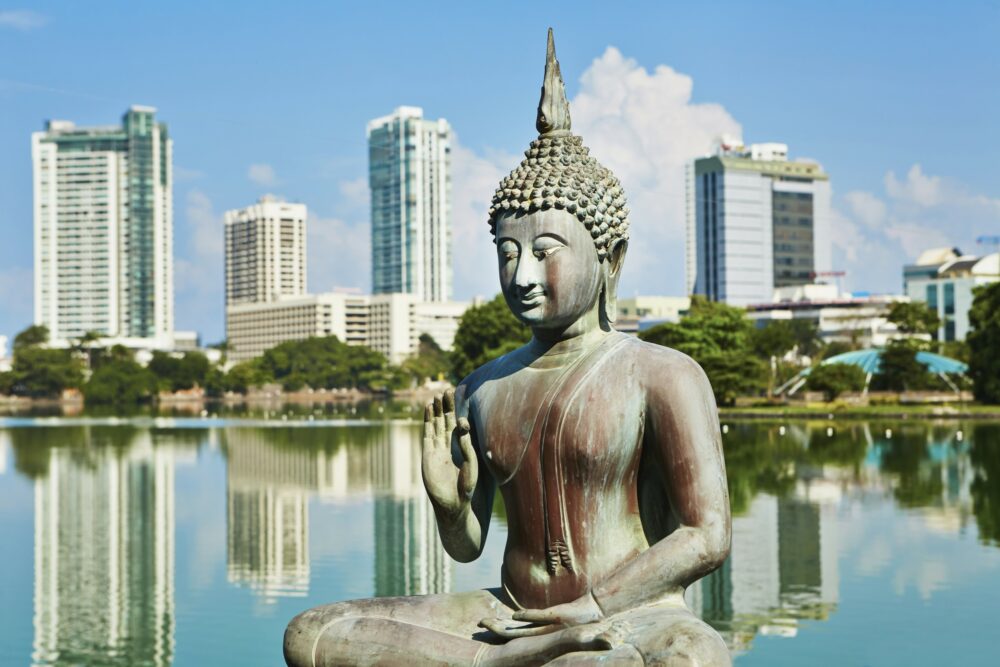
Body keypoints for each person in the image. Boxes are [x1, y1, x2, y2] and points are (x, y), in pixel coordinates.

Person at [284, 29, 732, 667]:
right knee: (311, 633)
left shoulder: (660, 373)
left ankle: (542, 653)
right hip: (508, 616)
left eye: (546, 252)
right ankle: (508, 660)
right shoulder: (483, 385)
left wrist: (594, 608)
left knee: (692, 660)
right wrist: (450, 508)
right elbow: (468, 549)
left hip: (634, 615)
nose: (522, 275)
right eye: (508, 252)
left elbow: (707, 535)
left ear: (611, 258)